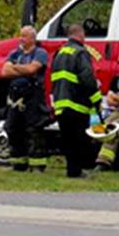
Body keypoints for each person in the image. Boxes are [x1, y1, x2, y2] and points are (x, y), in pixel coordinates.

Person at [50, 24, 102, 178]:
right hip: (76, 105)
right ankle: (78, 171)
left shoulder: (59, 53)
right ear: (80, 35)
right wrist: (96, 99)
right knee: (79, 140)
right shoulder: (81, 53)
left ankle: (72, 171)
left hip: (61, 104)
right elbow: (87, 79)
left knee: (67, 140)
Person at [1, 25, 50, 172]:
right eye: (20, 35)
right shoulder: (15, 52)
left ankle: (37, 164)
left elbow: (32, 69)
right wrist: (23, 69)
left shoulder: (40, 53)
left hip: (33, 96)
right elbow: (5, 71)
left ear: (32, 38)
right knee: (13, 127)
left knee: (34, 128)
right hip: (15, 97)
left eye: (24, 36)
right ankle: (18, 162)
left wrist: (16, 67)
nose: (21, 39)